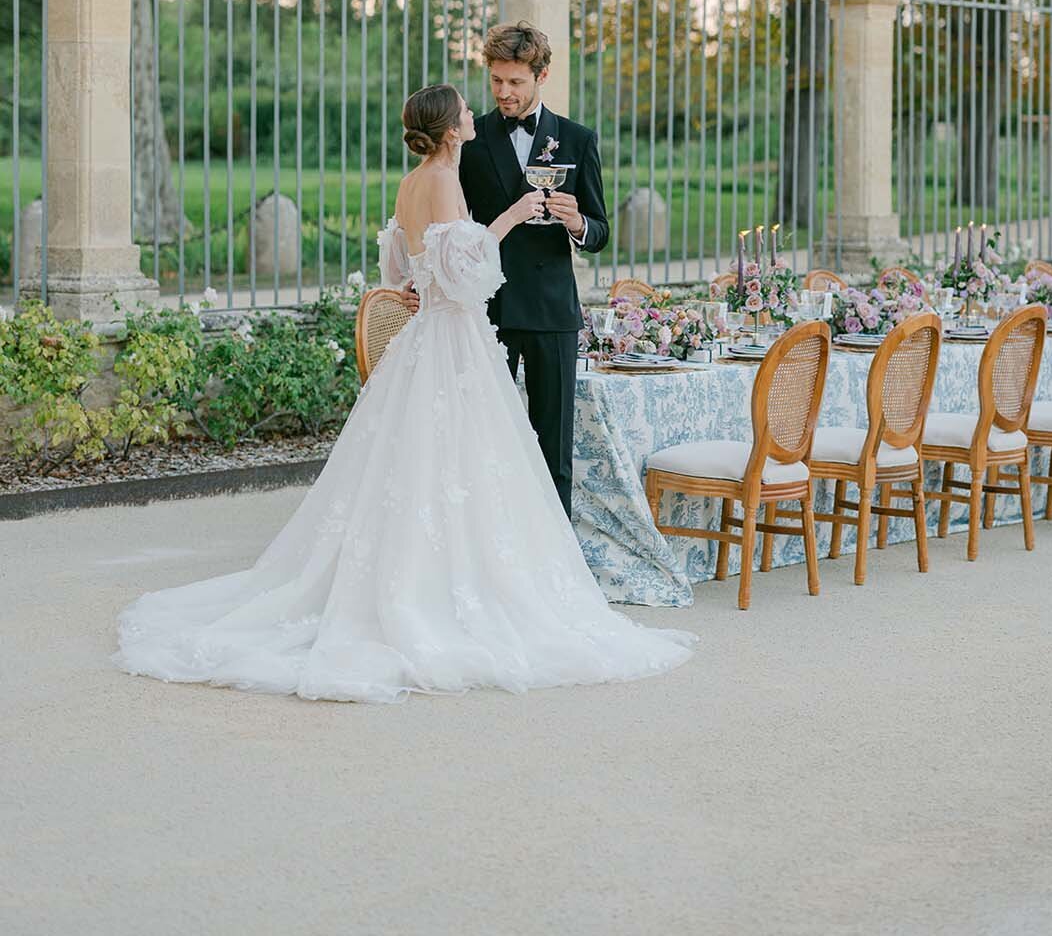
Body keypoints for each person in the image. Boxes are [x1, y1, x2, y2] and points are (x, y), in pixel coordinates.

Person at [113, 84, 693, 704]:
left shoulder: (413, 180)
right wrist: (513, 217)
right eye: (466, 110)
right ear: (450, 131)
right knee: (462, 464)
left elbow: (399, 270)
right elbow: (467, 271)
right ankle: (446, 590)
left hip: (428, 339)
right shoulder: (443, 179)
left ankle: (434, 574)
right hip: (454, 340)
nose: (479, 109)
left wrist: (438, 276)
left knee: (427, 466)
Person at [458, 22, 608, 516]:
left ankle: (557, 564)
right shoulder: (471, 141)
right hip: (489, 309)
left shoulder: (577, 139)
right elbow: (456, 227)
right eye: (497, 80)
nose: (504, 92)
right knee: (482, 442)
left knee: (553, 449)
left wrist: (577, 221)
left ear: (541, 75)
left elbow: (601, 232)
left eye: (515, 82)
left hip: (550, 311)